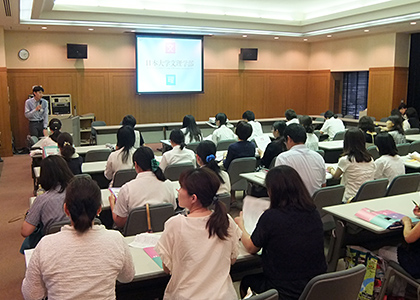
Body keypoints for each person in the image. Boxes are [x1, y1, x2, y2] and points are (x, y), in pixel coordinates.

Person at [21, 176, 135, 300]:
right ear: (99, 210)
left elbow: (31, 295)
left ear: (66, 209)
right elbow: (127, 277)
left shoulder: (46, 245)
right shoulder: (116, 239)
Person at [235, 166, 327, 300]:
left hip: (284, 291)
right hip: (316, 287)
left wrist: (241, 225)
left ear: (273, 191)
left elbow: (251, 247)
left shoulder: (272, 217)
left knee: (247, 281)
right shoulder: (313, 212)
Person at [155, 168, 242, 300]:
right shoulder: (226, 220)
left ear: (193, 198)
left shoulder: (175, 224)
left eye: (181, 188)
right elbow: (232, 259)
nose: (178, 191)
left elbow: (167, 268)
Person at [110, 146, 177, 228]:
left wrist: (112, 203)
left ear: (136, 165)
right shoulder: (168, 184)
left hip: (135, 236)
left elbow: (120, 223)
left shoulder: (127, 189)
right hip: (163, 232)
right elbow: (172, 210)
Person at [20, 156, 74, 251]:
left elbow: (25, 231)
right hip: (80, 242)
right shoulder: (80, 192)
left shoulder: (42, 200)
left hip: (52, 247)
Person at [275, 124, 326, 196]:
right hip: (315, 204)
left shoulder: (283, 158)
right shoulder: (318, 157)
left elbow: (279, 188)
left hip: (293, 205)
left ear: (288, 139)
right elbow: (323, 186)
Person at [328, 128, 375, 203]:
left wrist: (331, 170)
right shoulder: (370, 159)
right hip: (366, 197)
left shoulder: (346, 160)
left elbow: (335, 176)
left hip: (350, 199)